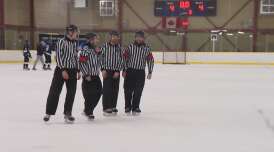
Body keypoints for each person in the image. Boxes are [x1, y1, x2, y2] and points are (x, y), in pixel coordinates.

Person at [43, 25, 81, 123]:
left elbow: (76, 57)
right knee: (55, 91)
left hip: (72, 70)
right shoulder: (61, 42)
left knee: (71, 93)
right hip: (61, 70)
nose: (77, 34)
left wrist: (78, 70)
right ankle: (48, 112)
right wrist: (63, 70)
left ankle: (67, 113)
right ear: (70, 32)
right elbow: (58, 56)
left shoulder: (75, 43)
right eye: (76, 32)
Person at [122, 31, 154, 115]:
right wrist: (124, 70)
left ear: (143, 38)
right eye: (137, 37)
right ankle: (127, 107)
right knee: (128, 90)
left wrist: (150, 71)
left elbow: (150, 60)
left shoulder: (147, 48)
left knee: (138, 90)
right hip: (130, 71)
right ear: (135, 38)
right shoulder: (129, 47)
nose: (139, 39)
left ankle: (136, 107)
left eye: (141, 37)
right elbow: (124, 59)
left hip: (140, 72)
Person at [100, 31, 124, 116]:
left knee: (115, 89)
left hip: (116, 71)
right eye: (113, 36)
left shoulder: (120, 48)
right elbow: (100, 58)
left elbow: (122, 60)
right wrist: (102, 69)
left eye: (116, 36)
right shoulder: (104, 46)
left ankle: (113, 106)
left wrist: (118, 71)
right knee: (107, 89)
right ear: (110, 37)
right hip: (107, 71)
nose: (115, 38)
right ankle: (106, 107)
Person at [79, 32, 102, 120]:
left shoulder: (97, 49)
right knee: (89, 95)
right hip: (88, 76)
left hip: (96, 75)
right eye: (96, 38)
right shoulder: (85, 50)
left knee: (99, 92)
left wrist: (99, 53)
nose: (97, 40)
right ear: (91, 40)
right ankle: (89, 112)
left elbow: (99, 60)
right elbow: (82, 62)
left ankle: (87, 110)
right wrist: (86, 74)